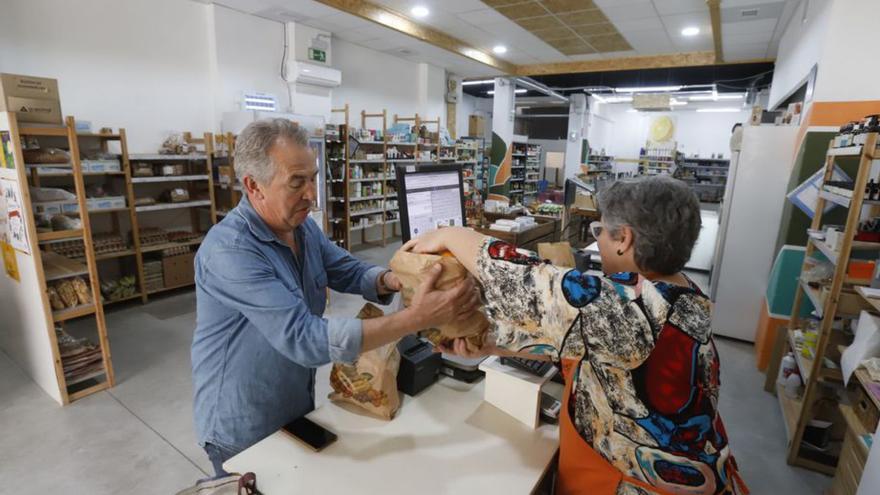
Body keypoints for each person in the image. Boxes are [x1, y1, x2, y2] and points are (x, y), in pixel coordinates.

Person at [406, 176, 747, 495]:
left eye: (602, 230)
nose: (597, 237)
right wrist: (494, 345)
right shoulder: (683, 293)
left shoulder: (632, 304)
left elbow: (526, 279)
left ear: (624, 239)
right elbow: (598, 349)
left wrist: (452, 234)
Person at [191, 119, 479, 476]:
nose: (312, 194)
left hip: (295, 406)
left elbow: (344, 268)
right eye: (297, 182)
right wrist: (415, 318)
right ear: (254, 186)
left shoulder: (301, 227)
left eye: (312, 178)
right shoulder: (230, 252)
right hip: (243, 425)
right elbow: (304, 338)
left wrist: (396, 280)